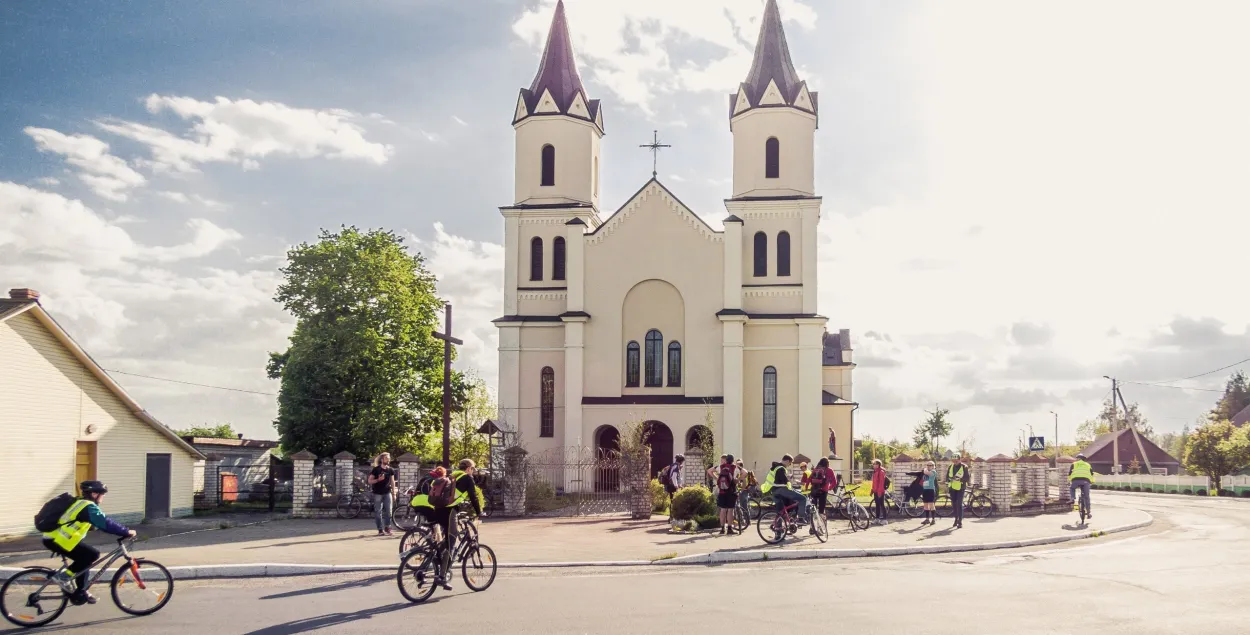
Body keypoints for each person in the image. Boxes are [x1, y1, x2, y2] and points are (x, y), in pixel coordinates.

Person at [43, 481, 136, 605]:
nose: (103, 497)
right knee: (92, 555)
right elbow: (104, 523)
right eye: (102, 494)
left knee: (86, 560)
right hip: (58, 540)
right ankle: (63, 577)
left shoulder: (80, 502)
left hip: (56, 539)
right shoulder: (87, 507)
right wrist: (126, 531)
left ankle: (82, 591)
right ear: (94, 494)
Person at [430, 459, 483, 591]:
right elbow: (473, 496)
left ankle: (436, 557)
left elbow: (455, 496)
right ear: (469, 468)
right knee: (452, 541)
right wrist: (479, 512)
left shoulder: (453, 475)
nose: (474, 471)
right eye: (473, 468)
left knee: (447, 539)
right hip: (449, 512)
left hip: (439, 509)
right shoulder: (467, 478)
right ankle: (442, 576)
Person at [761, 454, 808, 524]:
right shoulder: (781, 468)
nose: (789, 465)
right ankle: (801, 518)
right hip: (781, 490)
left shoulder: (775, 467)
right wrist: (788, 478)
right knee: (803, 498)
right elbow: (783, 480)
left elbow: (777, 479)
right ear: (787, 461)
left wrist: (787, 478)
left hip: (774, 491)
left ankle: (778, 532)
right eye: (790, 463)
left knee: (780, 511)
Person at [368, 452, 397, 536]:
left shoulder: (390, 470)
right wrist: (378, 480)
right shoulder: (376, 469)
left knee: (389, 511)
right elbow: (369, 481)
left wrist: (394, 493)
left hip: (387, 493)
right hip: (377, 493)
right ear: (382, 459)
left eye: (389, 458)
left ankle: (387, 527)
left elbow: (392, 482)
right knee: (378, 512)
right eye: (386, 458)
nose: (388, 459)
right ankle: (380, 529)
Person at [712, 455, 739, 534]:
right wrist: (738, 480)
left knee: (723, 510)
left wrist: (717, 478)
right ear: (733, 460)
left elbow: (709, 471)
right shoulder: (735, 467)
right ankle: (729, 529)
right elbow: (745, 472)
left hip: (722, 491)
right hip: (731, 491)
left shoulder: (720, 466)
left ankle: (722, 529)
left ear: (726, 460)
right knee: (730, 510)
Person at [947, 456, 971, 529]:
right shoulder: (950, 466)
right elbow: (947, 476)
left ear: (960, 460)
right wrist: (949, 480)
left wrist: (959, 479)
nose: (955, 461)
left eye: (956, 460)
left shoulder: (964, 467)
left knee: (959, 504)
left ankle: (960, 521)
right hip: (952, 488)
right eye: (953, 460)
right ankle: (956, 519)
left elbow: (967, 478)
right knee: (954, 504)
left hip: (961, 487)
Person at [1069, 453, 1095, 519]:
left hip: (1075, 480)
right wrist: (1091, 481)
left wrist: (1070, 481)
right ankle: (1088, 513)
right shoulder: (1088, 465)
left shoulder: (1074, 464)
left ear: (1077, 459)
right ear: (1084, 459)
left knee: (1072, 488)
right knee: (1086, 497)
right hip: (1086, 481)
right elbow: (1092, 474)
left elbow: (1070, 473)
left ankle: (1072, 498)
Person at [870, 459, 889, 525]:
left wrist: (880, 492)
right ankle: (877, 519)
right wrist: (872, 490)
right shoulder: (875, 472)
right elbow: (874, 482)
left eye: (875, 464)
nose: (874, 465)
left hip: (880, 491)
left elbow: (881, 483)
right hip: (876, 491)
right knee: (877, 505)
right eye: (873, 464)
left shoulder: (881, 472)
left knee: (882, 505)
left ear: (878, 465)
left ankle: (885, 519)